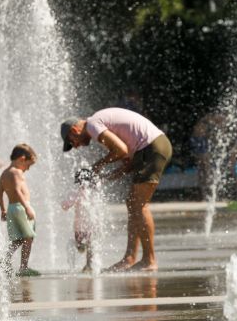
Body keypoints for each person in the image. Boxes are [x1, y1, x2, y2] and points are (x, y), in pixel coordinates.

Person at [60, 107, 172, 272]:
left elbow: (120, 151)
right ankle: (129, 258)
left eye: (72, 142)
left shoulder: (92, 124)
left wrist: (96, 167)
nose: (75, 146)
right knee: (132, 202)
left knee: (140, 204)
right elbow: (126, 161)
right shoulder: (98, 123)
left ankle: (149, 260)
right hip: (151, 147)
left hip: (152, 148)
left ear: (74, 130)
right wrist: (104, 178)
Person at [0, 144, 40, 276]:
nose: (28, 169)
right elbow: (17, 191)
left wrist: (3, 210)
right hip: (22, 208)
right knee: (28, 237)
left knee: (17, 239)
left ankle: (4, 259)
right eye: (28, 165)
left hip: (11, 208)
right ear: (22, 159)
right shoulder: (17, 172)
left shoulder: (4, 173)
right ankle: (23, 268)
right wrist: (27, 208)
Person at [61, 169, 100, 273]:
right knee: (89, 243)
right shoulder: (92, 192)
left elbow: (65, 206)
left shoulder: (76, 192)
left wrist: (63, 202)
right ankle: (88, 262)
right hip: (89, 224)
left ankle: (87, 263)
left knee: (84, 244)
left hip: (81, 226)